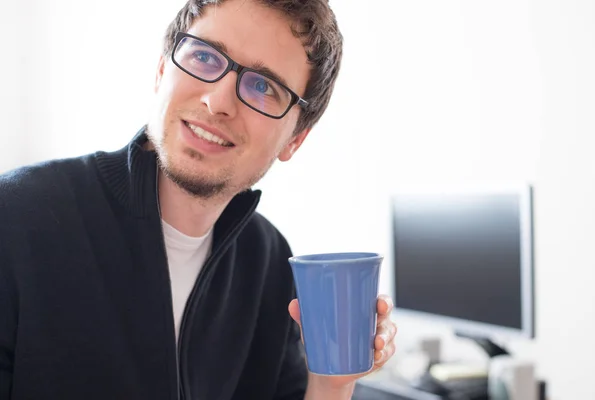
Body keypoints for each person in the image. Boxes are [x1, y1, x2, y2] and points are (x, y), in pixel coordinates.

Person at [0, 0, 397, 399]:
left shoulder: (270, 262)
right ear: (161, 70)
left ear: (294, 140)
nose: (218, 102)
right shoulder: (16, 220)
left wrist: (333, 382)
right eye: (205, 57)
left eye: (263, 86)